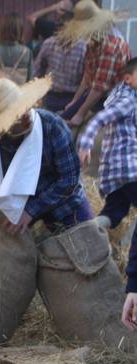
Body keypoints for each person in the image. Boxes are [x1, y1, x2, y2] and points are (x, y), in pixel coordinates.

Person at [0, 75, 90, 235]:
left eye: (25, 107)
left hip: (64, 203)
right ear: (4, 126)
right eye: (16, 116)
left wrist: (31, 210)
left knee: (90, 244)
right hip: (17, 208)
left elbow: (70, 178)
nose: (25, 115)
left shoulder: (52, 126)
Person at [75, 59, 137, 330]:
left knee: (114, 211)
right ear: (128, 79)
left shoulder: (118, 97)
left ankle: (91, 232)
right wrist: (85, 143)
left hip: (115, 174)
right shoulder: (128, 100)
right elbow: (98, 119)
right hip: (131, 168)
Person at [59, 0, 131, 127]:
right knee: (63, 117)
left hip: (115, 97)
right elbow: (88, 75)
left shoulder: (110, 48)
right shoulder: (94, 43)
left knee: (79, 124)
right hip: (100, 93)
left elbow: (99, 88)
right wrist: (75, 101)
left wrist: (80, 114)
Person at [33, 13, 87, 112]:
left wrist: (76, 101)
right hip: (49, 96)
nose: (62, 31)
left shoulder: (84, 48)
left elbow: (86, 79)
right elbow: (37, 70)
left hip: (71, 98)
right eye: (60, 27)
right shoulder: (49, 43)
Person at [0, 12, 32, 85]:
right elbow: (30, 79)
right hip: (19, 94)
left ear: (3, 28)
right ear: (20, 29)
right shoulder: (27, 52)